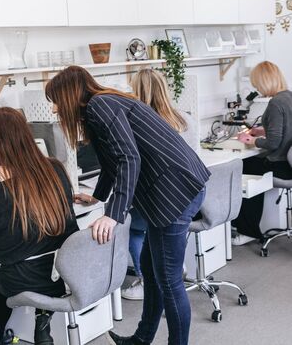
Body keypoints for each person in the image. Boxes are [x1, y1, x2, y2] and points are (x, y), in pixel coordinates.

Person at [45, 66, 210, 345]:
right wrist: (99, 197)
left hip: (174, 192)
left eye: (56, 101)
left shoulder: (101, 105)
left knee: (168, 280)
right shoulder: (103, 104)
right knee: (151, 267)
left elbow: (128, 158)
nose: (55, 110)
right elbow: (114, 161)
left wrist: (113, 215)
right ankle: (142, 338)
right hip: (172, 191)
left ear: (69, 95)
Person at [0, 108, 78, 345]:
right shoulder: (54, 167)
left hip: (22, 277)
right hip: (63, 270)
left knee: (1, 277)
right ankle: (42, 317)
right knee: (23, 258)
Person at [122, 68, 192, 301]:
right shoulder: (180, 117)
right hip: (187, 193)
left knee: (133, 226)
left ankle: (145, 278)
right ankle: (174, 265)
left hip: (162, 197)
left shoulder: (140, 124)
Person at [233, 61, 292, 243]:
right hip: (288, 163)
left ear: (264, 82)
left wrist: (251, 140)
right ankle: (245, 225)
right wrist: (260, 131)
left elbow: (274, 143)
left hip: (280, 165)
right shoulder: (289, 96)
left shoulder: (275, 103)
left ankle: (247, 230)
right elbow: (285, 130)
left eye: (257, 84)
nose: (256, 88)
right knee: (250, 165)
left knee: (243, 168)